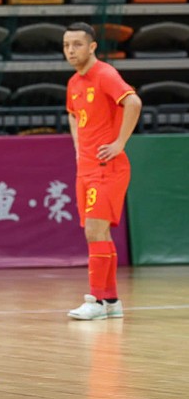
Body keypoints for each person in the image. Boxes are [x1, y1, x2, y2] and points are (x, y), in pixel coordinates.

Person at [63, 22, 141, 320]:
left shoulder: (105, 74)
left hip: (107, 167)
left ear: (92, 46)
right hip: (87, 167)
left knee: (95, 231)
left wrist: (120, 142)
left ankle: (95, 300)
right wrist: (77, 146)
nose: (71, 50)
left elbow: (133, 101)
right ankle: (110, 301)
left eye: (77, 44)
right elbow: (73, 115)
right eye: (67, 45)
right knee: (97, 233)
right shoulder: (74, 82)